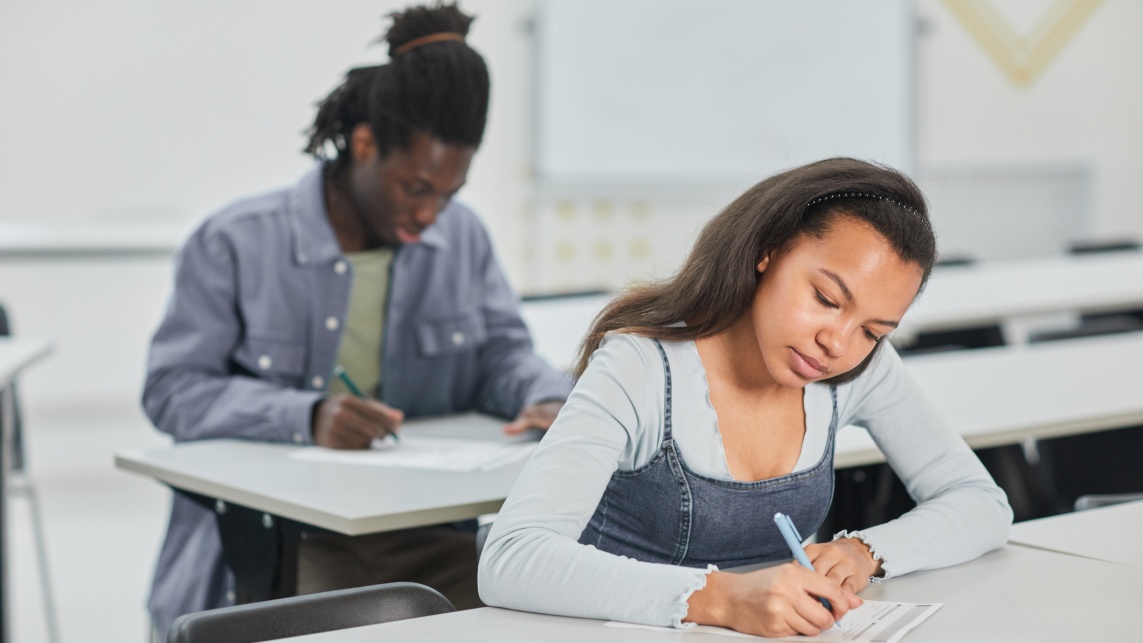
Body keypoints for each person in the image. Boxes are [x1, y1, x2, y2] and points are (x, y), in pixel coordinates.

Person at [142, 3, 570, 638]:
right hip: (294, 541)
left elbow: (500, 354)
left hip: (424, 536)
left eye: (448, 195)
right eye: (415, 188)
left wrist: (548, 397)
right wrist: (306, 417)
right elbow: (172, 391)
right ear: (364, 144)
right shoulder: (235, 242)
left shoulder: (463, 239)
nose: (430, 215)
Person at [478, 158, 1013, 638]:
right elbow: (512, 557)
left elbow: (980, 503)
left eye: (873, 331)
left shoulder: (856, 370)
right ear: (767, 252)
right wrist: (723, 598)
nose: (839, 343)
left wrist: (864, 552)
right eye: (826, 299)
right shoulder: (640, 366)